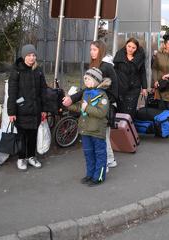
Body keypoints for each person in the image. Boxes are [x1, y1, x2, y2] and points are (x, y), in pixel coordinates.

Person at [63, 40, 118, 170]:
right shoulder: (99, 65)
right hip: (101, 104)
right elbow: (89, 89)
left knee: (101, 136)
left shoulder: (105, 67)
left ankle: (104, 164)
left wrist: (73, 98)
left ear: (101, 51)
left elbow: (94, 90)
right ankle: (110, 159)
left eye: (95, 49)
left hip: (104, 106)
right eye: (91, 49)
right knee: (103, 135)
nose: (92, 52)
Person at [7, 44, 47, 171]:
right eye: (29, 55)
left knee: (33, 135)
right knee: (22, 136)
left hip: (36, 110)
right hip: (21, 110)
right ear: (24, 56)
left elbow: (43, 91)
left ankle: (31, 157)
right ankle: (21, 158)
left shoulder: (38, 70)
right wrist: (12, 111)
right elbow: (12, 93)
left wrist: (44, 109)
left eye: (34, 55)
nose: (32, 58)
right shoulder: (17, 71)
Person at [68, 68, 110, 187]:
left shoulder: (102, 95)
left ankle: (99, 177)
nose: (86, 82)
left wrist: (86, 108)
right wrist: (69, 105)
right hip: (85, 129)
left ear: (96, 81)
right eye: (85, 79)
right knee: (88, 154)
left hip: (97, 130)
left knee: (100, 154)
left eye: (88, 79)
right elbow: (80, 108)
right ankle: (90, 174)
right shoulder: (86, 93)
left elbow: (101, 112)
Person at [113, 37, 147, 118]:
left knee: (130, 110)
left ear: (136, 48)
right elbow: (114, 71)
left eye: (133, 47)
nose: (130, 49)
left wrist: (144, 87)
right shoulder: (119, 55)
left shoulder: (139, 57)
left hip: (134, 88)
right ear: (126, 45)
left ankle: (130, 128)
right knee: (121, 109)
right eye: (129, 46)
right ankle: (122, 129)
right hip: (121, 87)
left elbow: (142, 72)